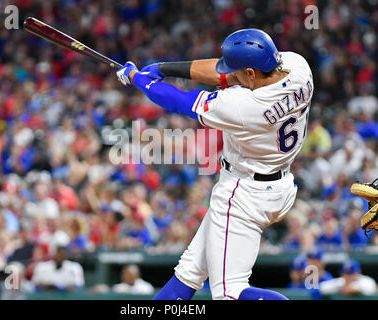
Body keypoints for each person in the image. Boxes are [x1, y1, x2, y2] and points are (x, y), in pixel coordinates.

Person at [116, 28, 314, 300]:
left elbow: (179, 102)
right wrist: (164, 68)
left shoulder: (244, 106)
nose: (229, 76)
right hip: (278, 185)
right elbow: (224, 73)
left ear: (251, 73)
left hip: (244, 193)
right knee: (188, 272)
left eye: (238, 72)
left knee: (229, 294)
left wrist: (139, 79)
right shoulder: (297, 66)